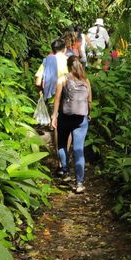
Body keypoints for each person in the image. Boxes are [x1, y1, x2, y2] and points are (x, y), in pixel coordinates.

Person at [51, 56, 91, 193]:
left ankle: (66, 171)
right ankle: (79, 183)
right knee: (78, 150)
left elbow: (57, 99)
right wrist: (88, 114)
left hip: (65, 117)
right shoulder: (85, 81)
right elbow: (89, 101)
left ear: (68, 67)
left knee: (62, 144)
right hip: (81, 119)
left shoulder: (63, 79)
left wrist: (54, 116)